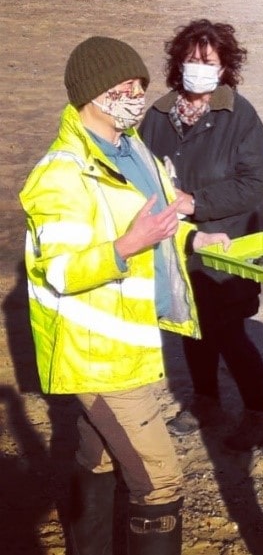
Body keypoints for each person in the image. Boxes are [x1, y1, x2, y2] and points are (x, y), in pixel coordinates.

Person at [19, 36, 230, 555]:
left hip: (131, 344)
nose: (134, 96)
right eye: (121, 88)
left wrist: (191, 237)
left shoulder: (132, 149)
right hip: (98, 356)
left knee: (101, 456)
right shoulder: (62, 174)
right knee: (160, 482)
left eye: (138, 85)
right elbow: (61, 271)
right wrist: (126, 247)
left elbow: (155, 224)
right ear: (89, 96)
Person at [139, 19, 263, 452]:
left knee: (228, 331)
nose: (198, 67)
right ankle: (205, 402)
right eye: (192, 59)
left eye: (209, 61)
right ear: (178, 63)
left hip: (226, 244)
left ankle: (259, 412)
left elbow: (255, 182)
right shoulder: (157, 115)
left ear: (224, 69)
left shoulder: (240, 115)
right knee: (188, 326)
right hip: (174, 242)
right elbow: (140, 175)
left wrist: (195, 201)